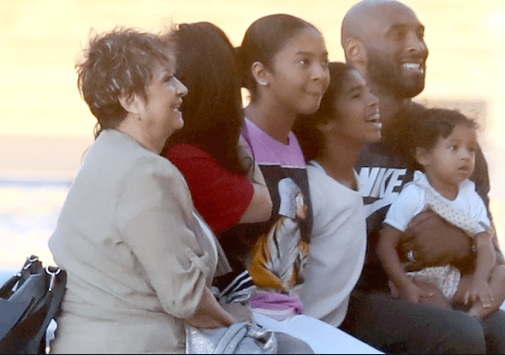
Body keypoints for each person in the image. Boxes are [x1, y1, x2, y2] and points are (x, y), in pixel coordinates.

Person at [47, 27, 241, 353]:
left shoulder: (105, 153)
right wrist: (243, 329)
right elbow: (186, 299)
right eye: (167, 80)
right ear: (130, 99)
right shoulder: (145, 173)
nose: (182, 89)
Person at [338, 0, 505, 353]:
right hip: (354, 299)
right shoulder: (329, 135)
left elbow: (491, 252)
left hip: (440, 290)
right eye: (398, 35)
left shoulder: (450, 143)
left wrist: (463, 243)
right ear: (356, 51)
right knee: (458, 334)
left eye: (420, 34)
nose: (418, 46)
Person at [219, 13, 382, 354]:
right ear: (261, 73)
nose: (320, 75)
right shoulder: (234, 143)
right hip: (241, 318)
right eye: (304, 62)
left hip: (290, 314)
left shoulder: (293, 143)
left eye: (323, 62)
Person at [162, 21, 314, 354]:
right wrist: (238, 132)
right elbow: (262, 204)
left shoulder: (182, 148)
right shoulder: (186, 157)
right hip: (196, 316)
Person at [377, 107, 505, 319]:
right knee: (442, 316)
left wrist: (480, 280)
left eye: (471, 149)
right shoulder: (415, 194)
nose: (465, 156)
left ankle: (473, 317)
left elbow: (485, 245)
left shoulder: (470, 197)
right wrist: (404, 284)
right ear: (424, 156)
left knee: (502, 274)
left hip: (452, 279)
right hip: (418, 279)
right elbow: (385, 245)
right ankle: (461, 326)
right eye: (454, 148)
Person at [292, 61, 382, 328]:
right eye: (357, 96)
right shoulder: (311, 190)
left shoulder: (351, 178)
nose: (373, 102)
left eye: (369, 91)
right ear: (325, 120)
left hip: (336, 324)